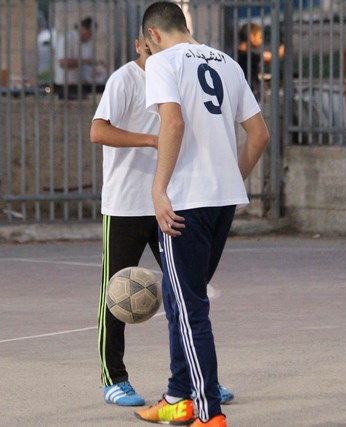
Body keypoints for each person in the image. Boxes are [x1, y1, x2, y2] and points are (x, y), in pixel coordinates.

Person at [135, 2, 269, 426]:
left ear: (153, 35)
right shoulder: (228, 62)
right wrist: (230, 177)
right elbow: (259, 135)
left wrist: (158, 190)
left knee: (189, 307)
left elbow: (171, 125)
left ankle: (209, 413)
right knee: (178, 298)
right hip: (221, 199)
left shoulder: (161, 63)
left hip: (186, 201)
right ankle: (178, 395)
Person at [90, 31, 235, 408]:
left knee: (187, 292)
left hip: (170, 202)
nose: (154, 50)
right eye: (148, 45)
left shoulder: (178, 72)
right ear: (140, 44)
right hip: (126, 203)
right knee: (116, 292)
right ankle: (114, 377)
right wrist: (152, 139)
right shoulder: (124, 79)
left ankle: (198, 380)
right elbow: (98, 130)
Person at [53, 17, 105, 99]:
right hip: (66, 85)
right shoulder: (67, 39)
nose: (91, 35)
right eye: (90, 32)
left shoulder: (87, 43)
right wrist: (85, 62)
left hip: (82, 84)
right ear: (82, 28)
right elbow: (63, 62)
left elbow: (87, 65)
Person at [236, 22, 284, 100]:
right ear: (251, 36)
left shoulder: (235, 54)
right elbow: (275, 56)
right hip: (250, 93)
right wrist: (284, 42)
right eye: (260, 37)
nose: (261, 41)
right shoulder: (250, 56)